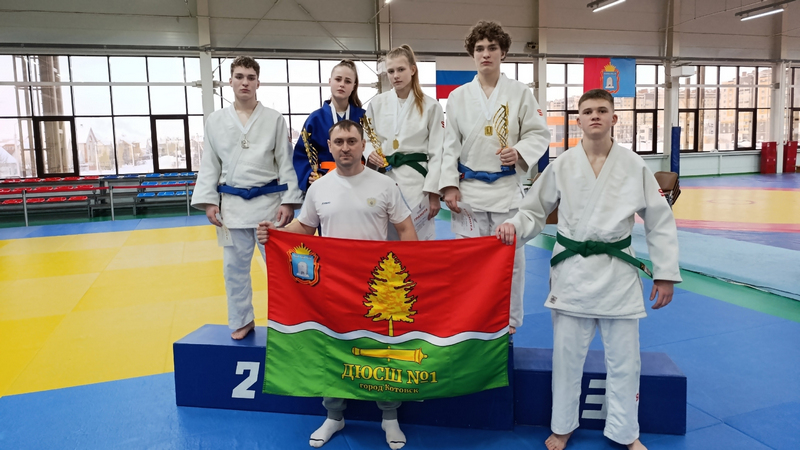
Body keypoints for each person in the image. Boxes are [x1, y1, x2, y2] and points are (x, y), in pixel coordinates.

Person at [496, 89, 682, 450]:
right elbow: (533, 210)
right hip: (573, 273)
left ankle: (626, 432)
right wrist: (514, 227)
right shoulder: (563, 164)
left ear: (614, 118)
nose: (594, 116)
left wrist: (664, 273)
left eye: (602, 110)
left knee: (626, 361)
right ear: (578, 120)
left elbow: (659, 219)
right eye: (587, 111)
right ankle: (562, 426)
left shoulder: (633, 165)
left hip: (617, 272)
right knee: (566, 360)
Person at [258, 120, 417, 449]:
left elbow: (405, 228)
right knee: (332, 349)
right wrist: (275, 233)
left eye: (352, 141)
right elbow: (305, 228)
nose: (346, 147)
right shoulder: (319, 189)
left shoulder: (384, 185)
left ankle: (389, 418)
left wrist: (414, 268)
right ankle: (334, 415)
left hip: (378, 287)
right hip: (333, 287)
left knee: (383, 351)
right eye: (339, 142)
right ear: (329, 147)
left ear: (362, 146)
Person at [439, 21, 551, 333]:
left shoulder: (520, 93)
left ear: (503, 53)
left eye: (492, 48)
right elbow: (450, 145)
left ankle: (509, 323)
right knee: (468, 262)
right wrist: (449, 185)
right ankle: (471, 320)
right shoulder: (458, 96)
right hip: (469, 192)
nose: (485, 54)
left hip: (505, 189)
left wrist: (519, 151)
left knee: (510, 261)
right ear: (472, 54)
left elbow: (538, 133)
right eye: (479, 49)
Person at [191, 56, 302, 340]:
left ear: (258, 83)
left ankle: (286, 321)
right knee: (234, 270)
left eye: (250, 78)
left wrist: (289, 200)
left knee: (279, 269)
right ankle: (242, 320)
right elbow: (210, 164)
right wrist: (209, 201)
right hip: (233, 207)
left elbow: (284, 161)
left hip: (269, 206)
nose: (245, 82)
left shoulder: (274, 119)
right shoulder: (216, 121)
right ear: (230, 81)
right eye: (239, 77)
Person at [363, 45, 445, 239]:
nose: (395, 76)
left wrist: (434, 193)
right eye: (391, 71)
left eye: (401, 69)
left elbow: (438, 151)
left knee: (419, 238)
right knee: (386, 238)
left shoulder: (431, 106)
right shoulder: (377, 103)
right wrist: (369, 153)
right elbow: (366, 138)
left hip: (417, 182)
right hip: (384, 178)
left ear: (413, 69)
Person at [293, 59, 366, 193]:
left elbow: (371, 150)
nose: (342, 84)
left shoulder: (363, 117)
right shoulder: (315, 119)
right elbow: (301, 155)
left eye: (348, 81)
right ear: (330, 81)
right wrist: (311, 174)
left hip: (359, 181)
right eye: (338, 79)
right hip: (325, 181)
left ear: (354, 86)